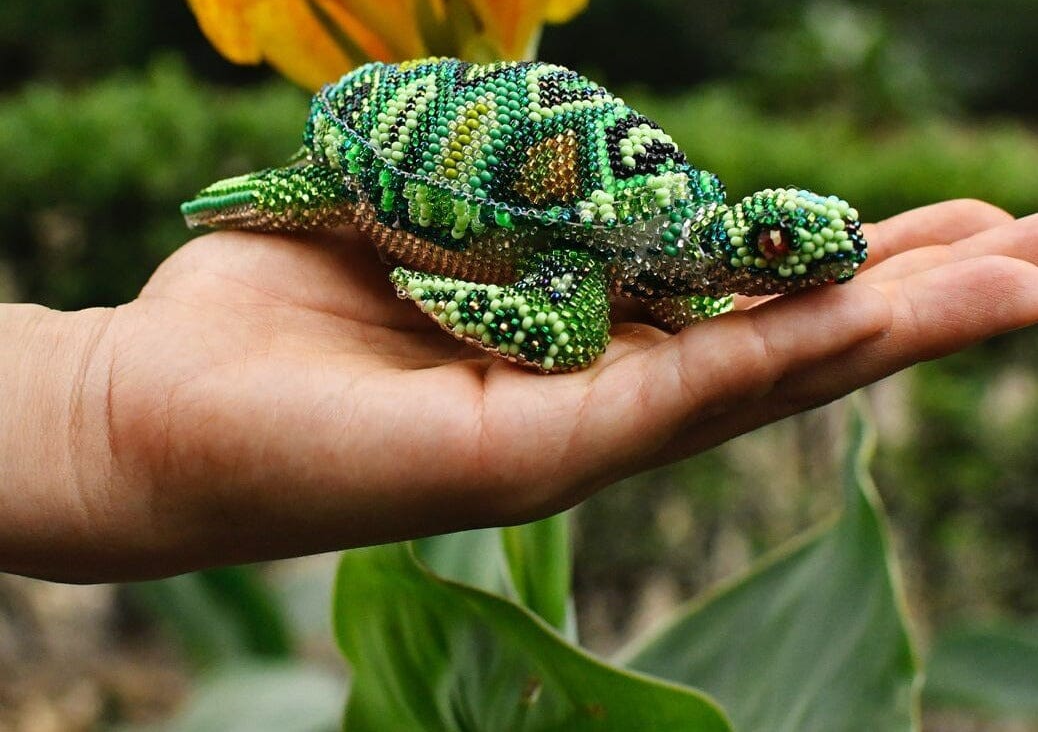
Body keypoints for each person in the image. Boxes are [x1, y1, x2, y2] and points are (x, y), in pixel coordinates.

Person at [2, 199, 1036, 583]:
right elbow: (594, 295)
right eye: (770, 251)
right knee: (572, 332)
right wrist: (88, 402)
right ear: (739, 243)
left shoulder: (679, 263)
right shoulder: (619, 257)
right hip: (396, 160)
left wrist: (92, 405)